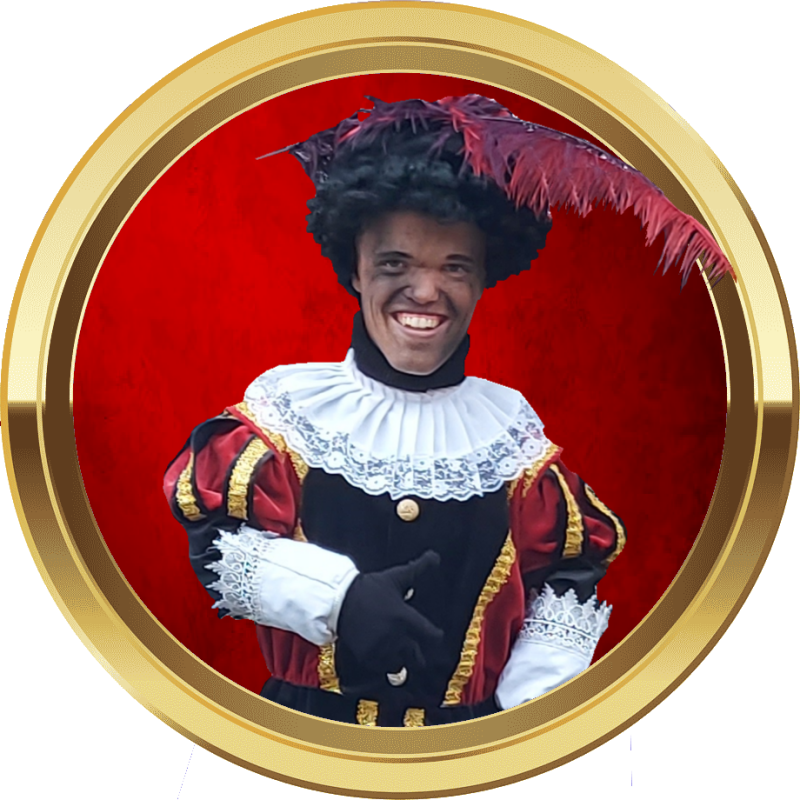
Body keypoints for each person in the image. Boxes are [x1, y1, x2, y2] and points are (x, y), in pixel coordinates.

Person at [163, 95, 733, 727]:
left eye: (454, 267)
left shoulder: (511, 438)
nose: (426, 291)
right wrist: (339, 598)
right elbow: (219, 544)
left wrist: (527, 724)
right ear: (355, 269)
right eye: (395, 263)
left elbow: (567, 576)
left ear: (483, 277)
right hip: (305, 740)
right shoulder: (287, 414)